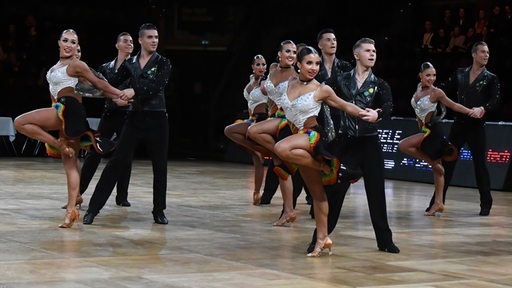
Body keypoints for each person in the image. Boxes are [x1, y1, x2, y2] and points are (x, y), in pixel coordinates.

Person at [13, 29, 133, 228]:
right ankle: (73, 207)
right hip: (61, 109)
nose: (69, 44)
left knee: (20, 122)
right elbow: (64, 94)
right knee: (70, 163)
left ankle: (58, 146)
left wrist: (119, 94)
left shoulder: (77, 64)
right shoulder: (54, 68)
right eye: (66, 40)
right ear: (59, 42)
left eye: (74, 42)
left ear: (77, 47)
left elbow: (100, 84)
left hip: (70, 109)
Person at [273, 46, 379, 256]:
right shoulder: (288, 84)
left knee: (279, 148)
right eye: (309, 63)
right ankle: (323, 238)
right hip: (298, 138)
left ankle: (324, 165)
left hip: (313, 136)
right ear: (298, 64)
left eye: (317, 64)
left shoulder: (321, 89)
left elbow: (345, 105)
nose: (314, 67)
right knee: (318, 194)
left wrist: (370, 114)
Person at [307, 37, 400, 254]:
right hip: (346, 142)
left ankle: (385, 241)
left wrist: (377, 114)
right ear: (357, 55)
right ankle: (319, 239)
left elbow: (387, 107)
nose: (372, 54)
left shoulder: (380, 84)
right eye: (368, 50)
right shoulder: (340, 80)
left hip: (370, 142)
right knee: (335, 191)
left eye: (374, 50)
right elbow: (317, 91)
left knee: (376, 191)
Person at [83, 23, 172, 225]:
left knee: (160, 166)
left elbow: (154, 86)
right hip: (134, 119)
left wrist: (133, 90)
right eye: (149, 37)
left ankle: (159, 210)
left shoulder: (163, 63)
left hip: (157, 118)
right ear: (140, 40)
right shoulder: (130, 63)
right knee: (115, 162)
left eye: (156, 37)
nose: (154, 40)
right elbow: (111, 79)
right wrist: (87, 75)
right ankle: (93, 210)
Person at [425, 41, 501, 216]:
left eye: (488, 52)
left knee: (480, 165)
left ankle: (486, 203)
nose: (486, 55)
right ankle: (437, 202)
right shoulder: (460, 73)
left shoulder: (491, 78)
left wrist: (483, 108)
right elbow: (442, 89)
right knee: (447, 163)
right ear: (474, 54)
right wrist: (429, 87)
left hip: (476, 126)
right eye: (483, 51)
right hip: (459, 125)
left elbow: (495, 100)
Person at [398, 62, 480, 216]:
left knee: (403, 145)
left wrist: (470, 111)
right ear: (420, 75)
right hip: (424, 129)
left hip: (432, 131)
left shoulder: (436, 92)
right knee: (438, 168)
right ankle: (439, 203)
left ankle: (438, 199)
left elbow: (454, 105)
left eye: (434, 75)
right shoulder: (418, 88)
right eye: (428, 75)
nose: (431, 78)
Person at [75, 32, 134, 209]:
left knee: (125, 155)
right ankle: (78, 193)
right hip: (109, 113)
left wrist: (127, 98)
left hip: (127, 114)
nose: (129, 44)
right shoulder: (106, 67)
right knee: (94, 152)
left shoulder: (136, 66)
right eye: (125, 41)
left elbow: (138, 88)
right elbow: (96, 87)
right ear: (117, 45)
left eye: (131, 41)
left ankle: (122, 196)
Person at [247, 40, 298, 226]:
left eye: (294, 52)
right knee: (280, 168)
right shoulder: (274, 69)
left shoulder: (296, 75)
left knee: (282, 169)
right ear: (279, 54)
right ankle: (289, 211)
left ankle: (289, 211)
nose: (291, 54)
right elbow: (267, 92)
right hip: (274, 117)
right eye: (287, 51)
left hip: (288, 121)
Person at [310, 28, 353, 219]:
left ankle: (330, 205)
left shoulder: (344, 66)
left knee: (336, 163)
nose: (333, 43)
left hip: (340, 121)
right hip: (317, 120)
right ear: (320, 44)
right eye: (328, 40)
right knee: (317, 162)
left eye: (334, 39)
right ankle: (315, 201)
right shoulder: (313, 65)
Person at [224, 54, 269, 205]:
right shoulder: (252, 81)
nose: (261, 67)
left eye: (263, 64)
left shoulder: (267, 81)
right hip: (252, 119)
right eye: (258, 64)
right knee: (256, 158)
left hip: (263, 120)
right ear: (252, 67)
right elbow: (249, 95)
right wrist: (253, 81)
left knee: (229, 130)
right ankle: (256, 193)